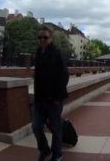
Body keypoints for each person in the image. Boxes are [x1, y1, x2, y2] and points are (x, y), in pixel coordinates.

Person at [32, 26, 69, 161]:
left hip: (54, 100)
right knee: (36, 126)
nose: (42, 40)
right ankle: (44, 150)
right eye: (39, 37)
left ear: (51, 38)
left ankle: (57, 153)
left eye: (45, 37)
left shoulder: (57, 53)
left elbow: (64, 76)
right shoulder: (38, 52)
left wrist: (57, 98)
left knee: (55, 128)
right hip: (39, 99)